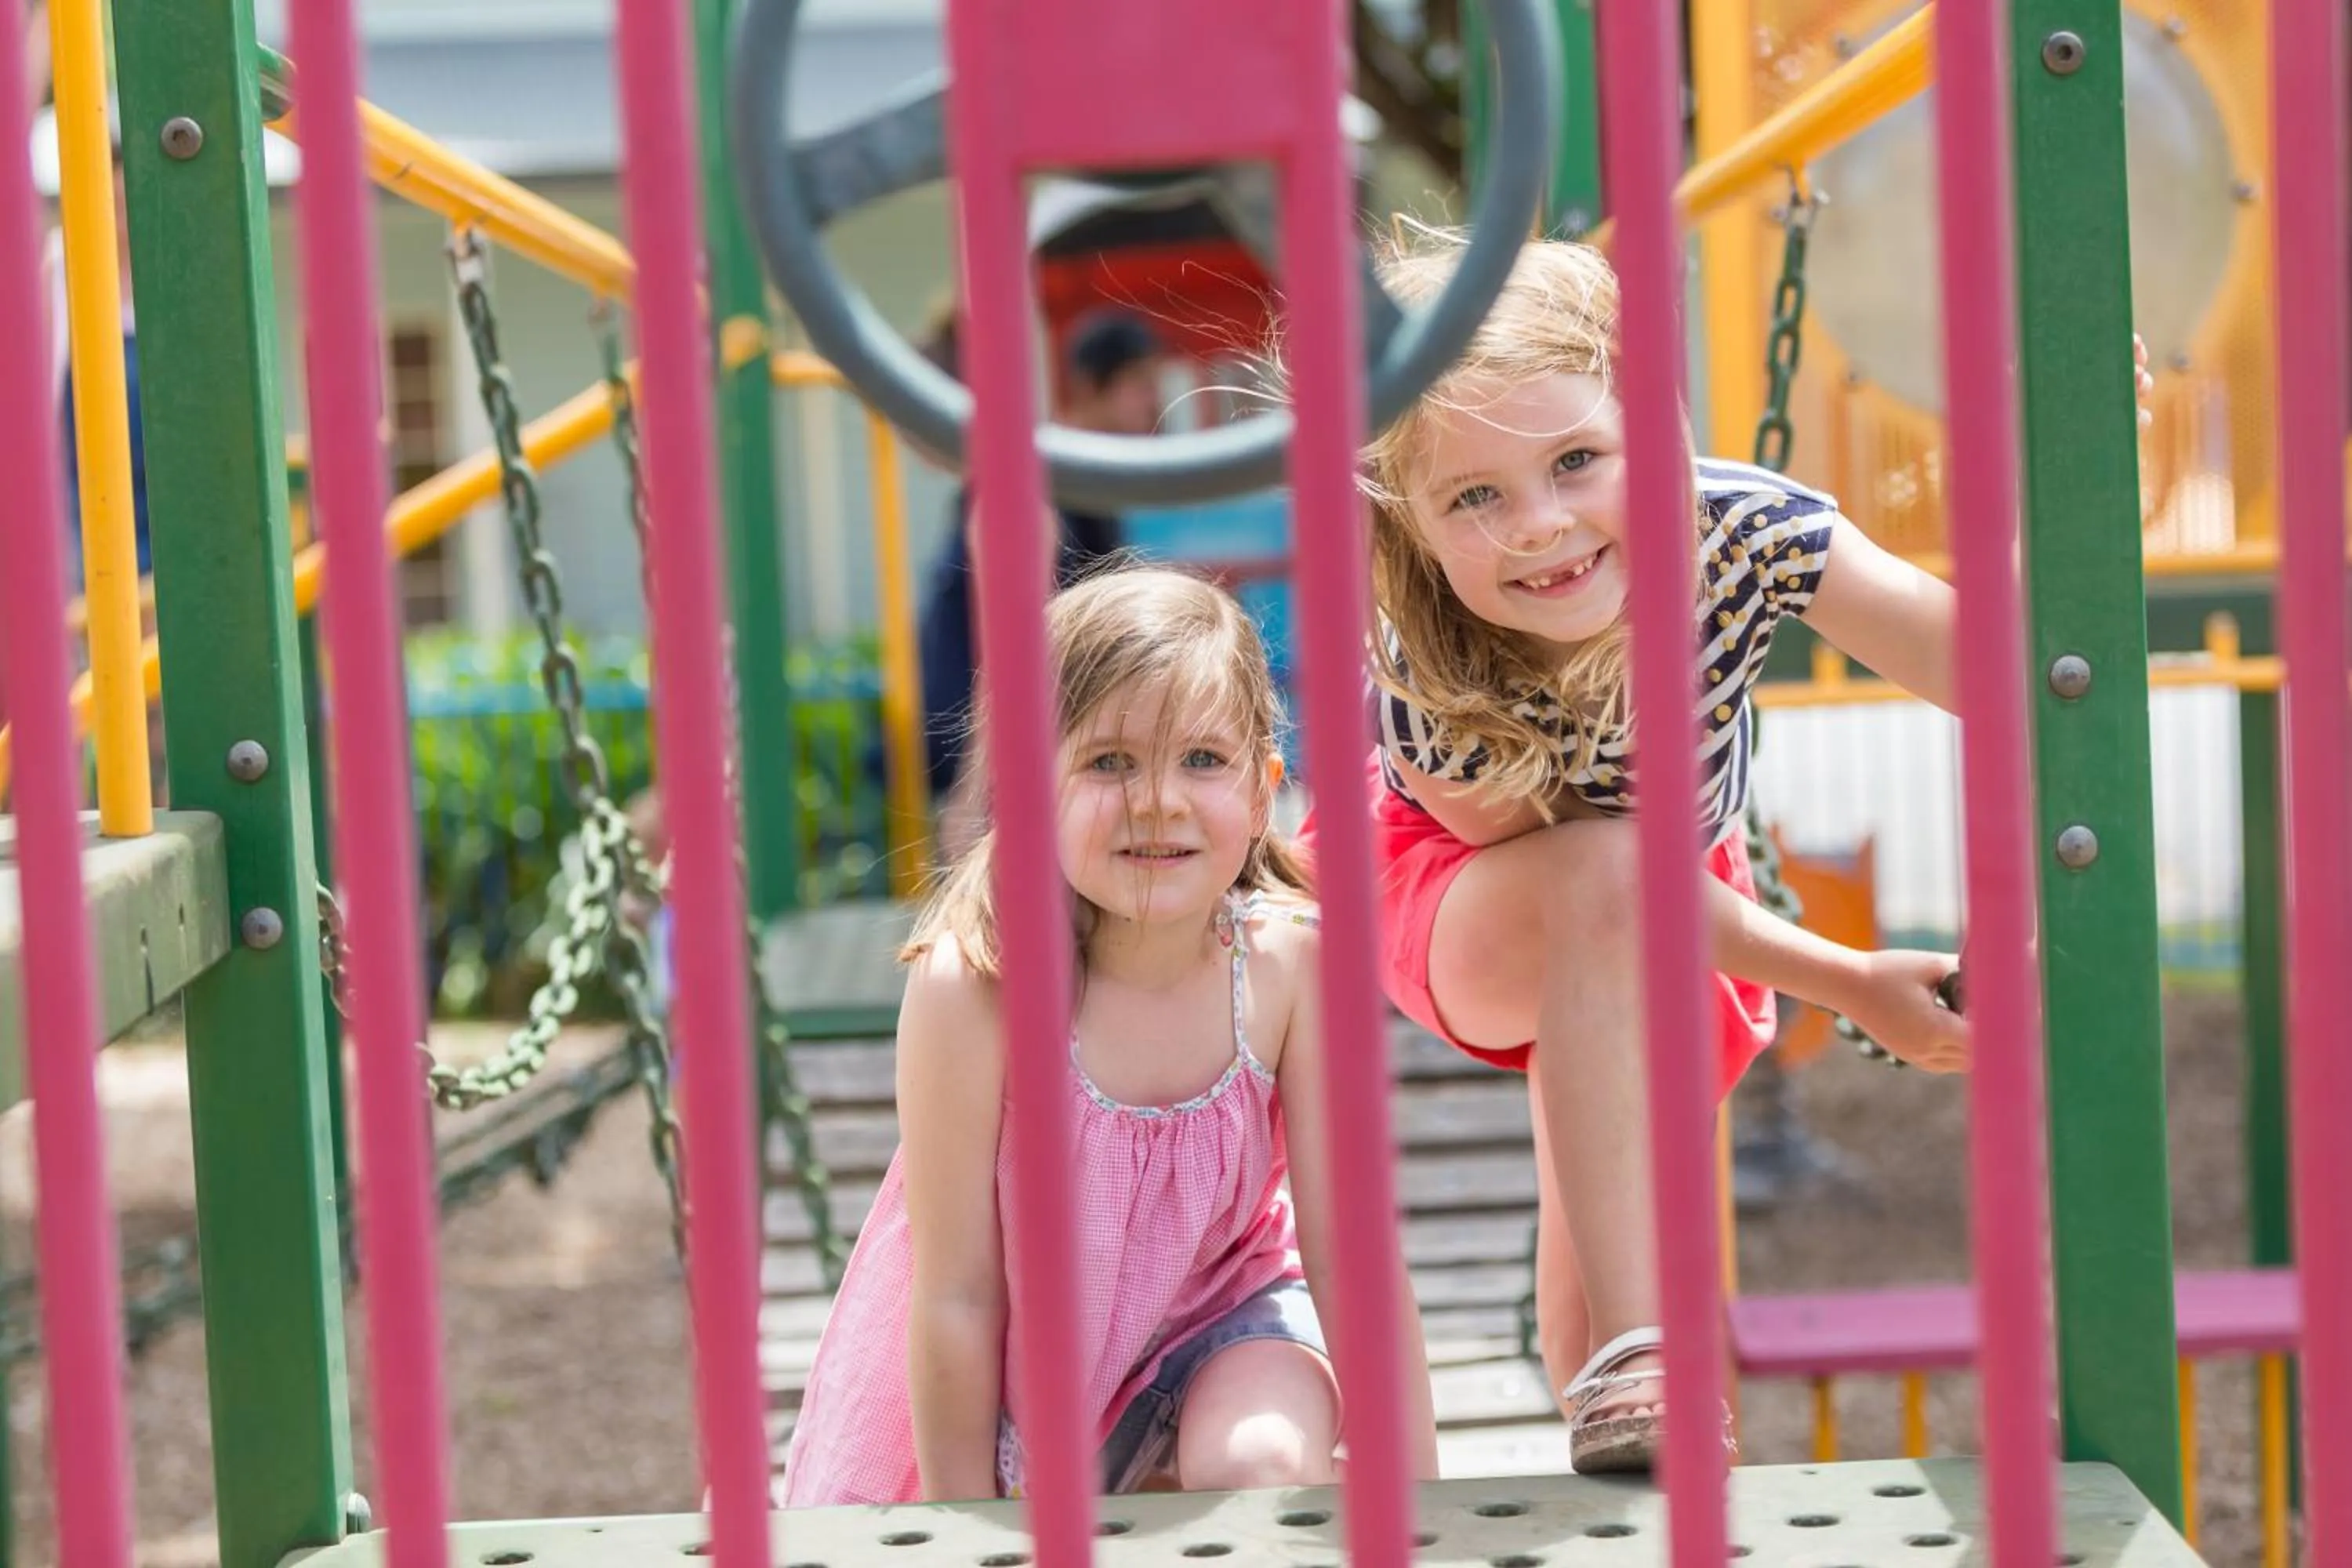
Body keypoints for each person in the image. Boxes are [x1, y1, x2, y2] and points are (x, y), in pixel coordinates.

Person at [1287, 229, 2155, 1472]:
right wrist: (1844, 978)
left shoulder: (1746, 531)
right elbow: (1599, 891)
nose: (1539, 527)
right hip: (1454, 891)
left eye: (1577, 460)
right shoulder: (1428, 658)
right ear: (1408, 521)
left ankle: (1619, 1381)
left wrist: (2060, 479)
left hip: (1673, 885)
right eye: (1474, 495)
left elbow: (2002, 679)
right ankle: (1645, 1353)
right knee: (1599, 1007)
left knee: (1595, 1281)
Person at [779, 566, 1438, 1504]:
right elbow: (958, 1292)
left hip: (1230, 1321)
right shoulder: (977, 987)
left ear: (1263, 792)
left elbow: (1353, 1254)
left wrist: (1422, 1502)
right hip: (1033, 1377)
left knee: (1260, 1465)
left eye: (1203, 760)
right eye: (1109, 761)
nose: (1157, 800)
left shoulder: (1290, 969)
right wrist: (968, 1526)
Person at [914, 307, 1167, 861]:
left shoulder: (1048, 481)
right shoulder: (1040, 484)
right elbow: (1017, 638)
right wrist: (976, 787)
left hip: (1015, 748)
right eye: (1141, 385)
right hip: (1001, 750)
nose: (1155, 403)